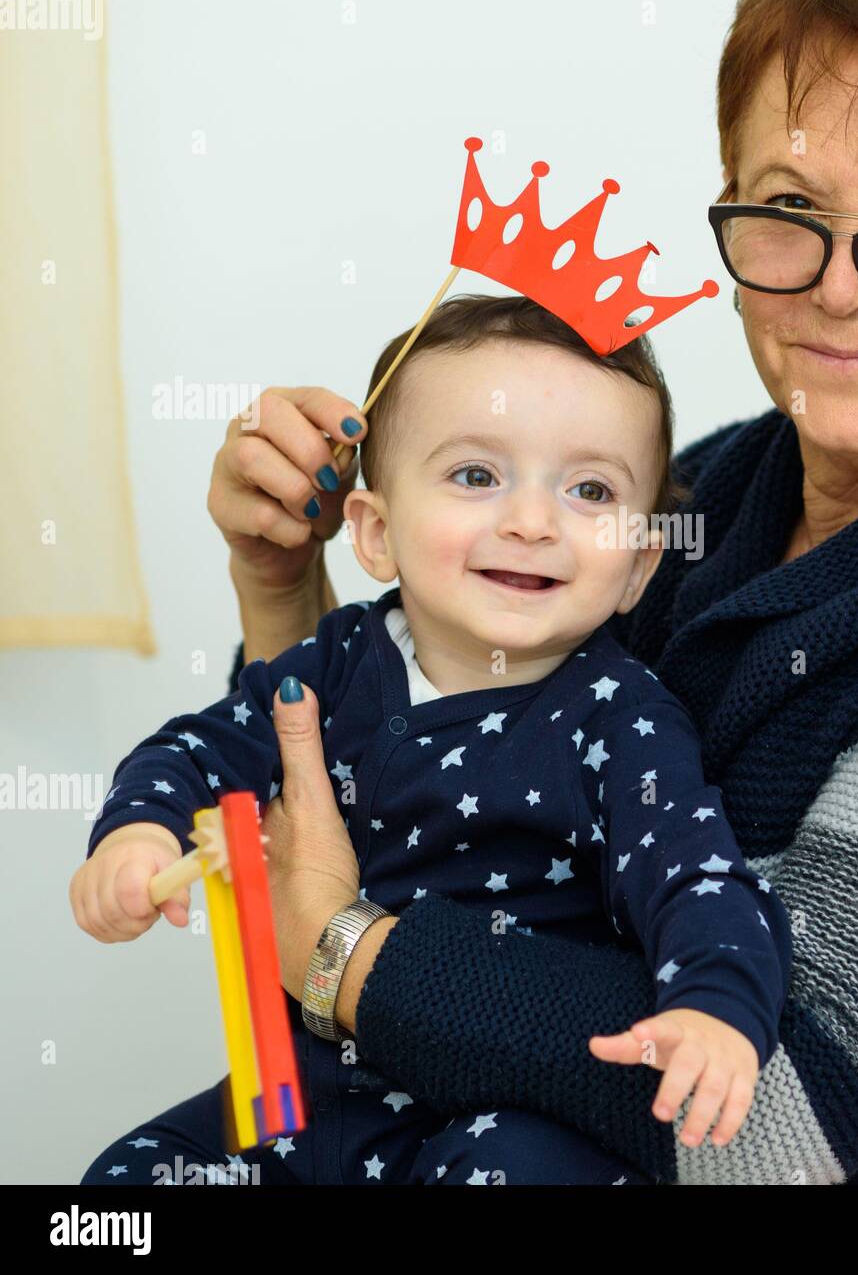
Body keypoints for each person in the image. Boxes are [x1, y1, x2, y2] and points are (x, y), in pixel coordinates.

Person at [157, 0, 858, 1184]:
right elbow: (434, 779)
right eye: (788, 209)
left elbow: (757, 1123)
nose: (839, 286)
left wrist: (338, 952)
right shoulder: (709, 491)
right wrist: (284, 586)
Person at [74, 296, 791, 1185]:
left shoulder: (625, 717)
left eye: (590, 490)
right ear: (375, 532)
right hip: (306, 1096)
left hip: (504, 1112)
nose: (532, 521)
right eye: (477, 477)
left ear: (639, 564)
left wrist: (714, 1010)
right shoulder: (338, 660)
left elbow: (699, 880)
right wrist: (137, 831)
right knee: (124, 1184)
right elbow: (199, 749)